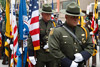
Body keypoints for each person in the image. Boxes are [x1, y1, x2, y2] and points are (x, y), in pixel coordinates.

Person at [48, 2, 93, 67]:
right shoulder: (57, 31)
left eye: (77, 17)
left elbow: (90, 46)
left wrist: (83, 55)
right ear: (66, 17)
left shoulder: (84, 30)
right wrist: (67, 62)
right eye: (73, 17)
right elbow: (53, 49)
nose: (75, 19)